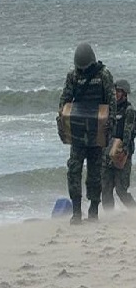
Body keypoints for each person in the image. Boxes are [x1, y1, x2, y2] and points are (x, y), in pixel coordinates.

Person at [59, 43, 116, 224]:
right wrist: (62, 122)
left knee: (95, 172)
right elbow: (65, 101)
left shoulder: (103, 74)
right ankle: (76, 211)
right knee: (73, 170)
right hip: (77, 132)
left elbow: (111, 101)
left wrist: (111, 124)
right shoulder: (73, 76)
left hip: (97, 132)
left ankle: (93, 210)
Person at [101, 79, 136, 210]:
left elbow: (128, 132)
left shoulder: (129, 111)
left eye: (119, 91)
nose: (116, 93)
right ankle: (109, 216)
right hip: (107, 152)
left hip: (122, 153)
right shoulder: (110, 110)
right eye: (115, 91)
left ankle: (134, 213)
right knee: (106, 188)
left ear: (125, 93)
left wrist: (125, 150)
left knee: (121, 190)